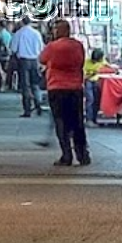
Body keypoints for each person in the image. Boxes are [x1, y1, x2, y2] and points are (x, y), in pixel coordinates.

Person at [39, 20, 90, 166]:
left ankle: (66, 155)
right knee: (78, 123)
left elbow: (42, 59)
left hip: (57, 88)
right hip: (75, 88)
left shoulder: (53, 47)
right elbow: (81, 62)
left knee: (61, 123)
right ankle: (83, 155)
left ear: (58, 31)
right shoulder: (78, 45)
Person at [12, 19, 46, 117]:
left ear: (22, 22)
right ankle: (38, 104)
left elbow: (13, 48)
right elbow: (41, 48)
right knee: (35, 84)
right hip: (35, 60)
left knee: (25, 86)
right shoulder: (37, 33)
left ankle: (27, 109)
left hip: (23, 61)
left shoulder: (19, 34)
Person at [84, 48, 110, 124]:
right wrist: (93, 73)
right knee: (90, 100)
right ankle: (89, 119)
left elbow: (109, 67)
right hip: (89, 81)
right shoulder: (86, 63)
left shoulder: (102, 61)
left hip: (97, 82)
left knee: (96, 100)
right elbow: (84, 76)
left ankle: (94, 119)